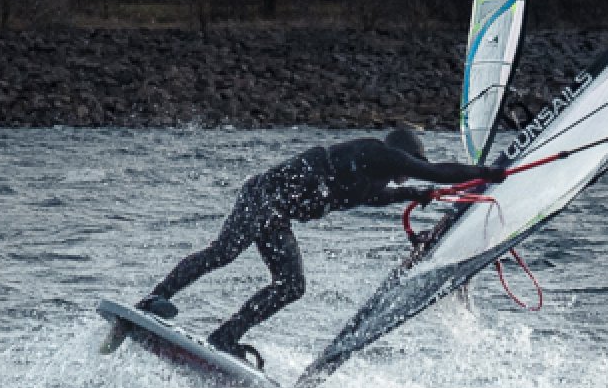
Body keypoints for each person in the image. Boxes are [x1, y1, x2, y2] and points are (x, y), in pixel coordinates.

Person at [140, 126, 506, 365]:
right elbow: (439, 172)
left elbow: (380, 197)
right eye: (410, 164)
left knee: (292, 286)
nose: (409, 171)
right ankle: (154, 299)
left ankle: (225, 337)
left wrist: (415, 194)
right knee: (224, 252)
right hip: (262, 196)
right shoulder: (375, 153)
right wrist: (488, 173)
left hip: (277, 216)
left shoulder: (369, 181)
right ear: (401, 154)